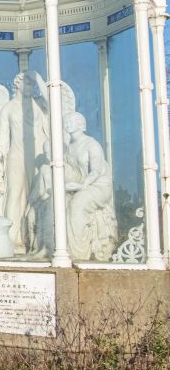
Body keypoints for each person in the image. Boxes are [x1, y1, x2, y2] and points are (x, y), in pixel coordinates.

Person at [0, 70, 49, 254]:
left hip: (38, 157)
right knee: (15, 195)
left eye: (33, 84)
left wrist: (40, 78)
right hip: (16, 155)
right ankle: (11, 240)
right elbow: (1, 140)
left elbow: (53, 102)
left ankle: (35, 240)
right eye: (28, 82)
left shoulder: (40, 105)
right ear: (17, 84)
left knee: (39, 196)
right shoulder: (8, 108)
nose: (31, 87)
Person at [63, 112, 117, 261]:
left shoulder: (91, 144)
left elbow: (96, 171)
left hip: (98, 185)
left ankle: (80, 255)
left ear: (81, 124)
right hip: (81, 185)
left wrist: (81, 187)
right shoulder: (69, 147)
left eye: (72, 121)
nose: (68, 123)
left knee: (77, 204)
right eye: (66, 120)